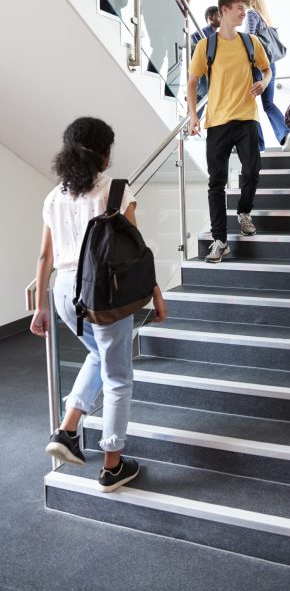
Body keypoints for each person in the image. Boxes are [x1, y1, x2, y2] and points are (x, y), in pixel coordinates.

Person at [30, 117, 166, 491]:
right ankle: (112, 464)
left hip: (62, 294)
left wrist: (40, 306)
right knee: (118, 377)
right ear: (105, 155)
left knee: (97, 354)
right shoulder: (115, 190)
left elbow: (45, 257)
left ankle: (67, 430)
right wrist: (154, 291)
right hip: (102, 294)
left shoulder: (54, 195)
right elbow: (136, 252)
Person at [187, 0, 272, 263]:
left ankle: (244, 212)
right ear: (224, 10)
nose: (243, 12)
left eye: (244, 9)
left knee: (253, 169)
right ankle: (220, 240)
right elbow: (191, 81)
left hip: (247, 117)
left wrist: (264, 82)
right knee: (216, 183)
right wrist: (193, 116)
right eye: (238, 8)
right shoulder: (206, 46)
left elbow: (267, 69)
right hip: (217, 122)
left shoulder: (251, 43)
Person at [245, 0, 290, 152]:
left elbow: (249, 37)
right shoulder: (266, 18)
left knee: (250, 104)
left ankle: (258, 146)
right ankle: (286, 133)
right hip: (270, 65)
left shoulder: (251, 14)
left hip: (257, 64)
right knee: (268, 104)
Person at [191, 6, 221, 114]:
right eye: (219, 16)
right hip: (203, 74)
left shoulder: (217, 35)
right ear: (210, 18)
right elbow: (192, 45)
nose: (221, 18)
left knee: (203, 98)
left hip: (209, 75)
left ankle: (191, 125)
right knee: (204, 94)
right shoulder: (203, 32)